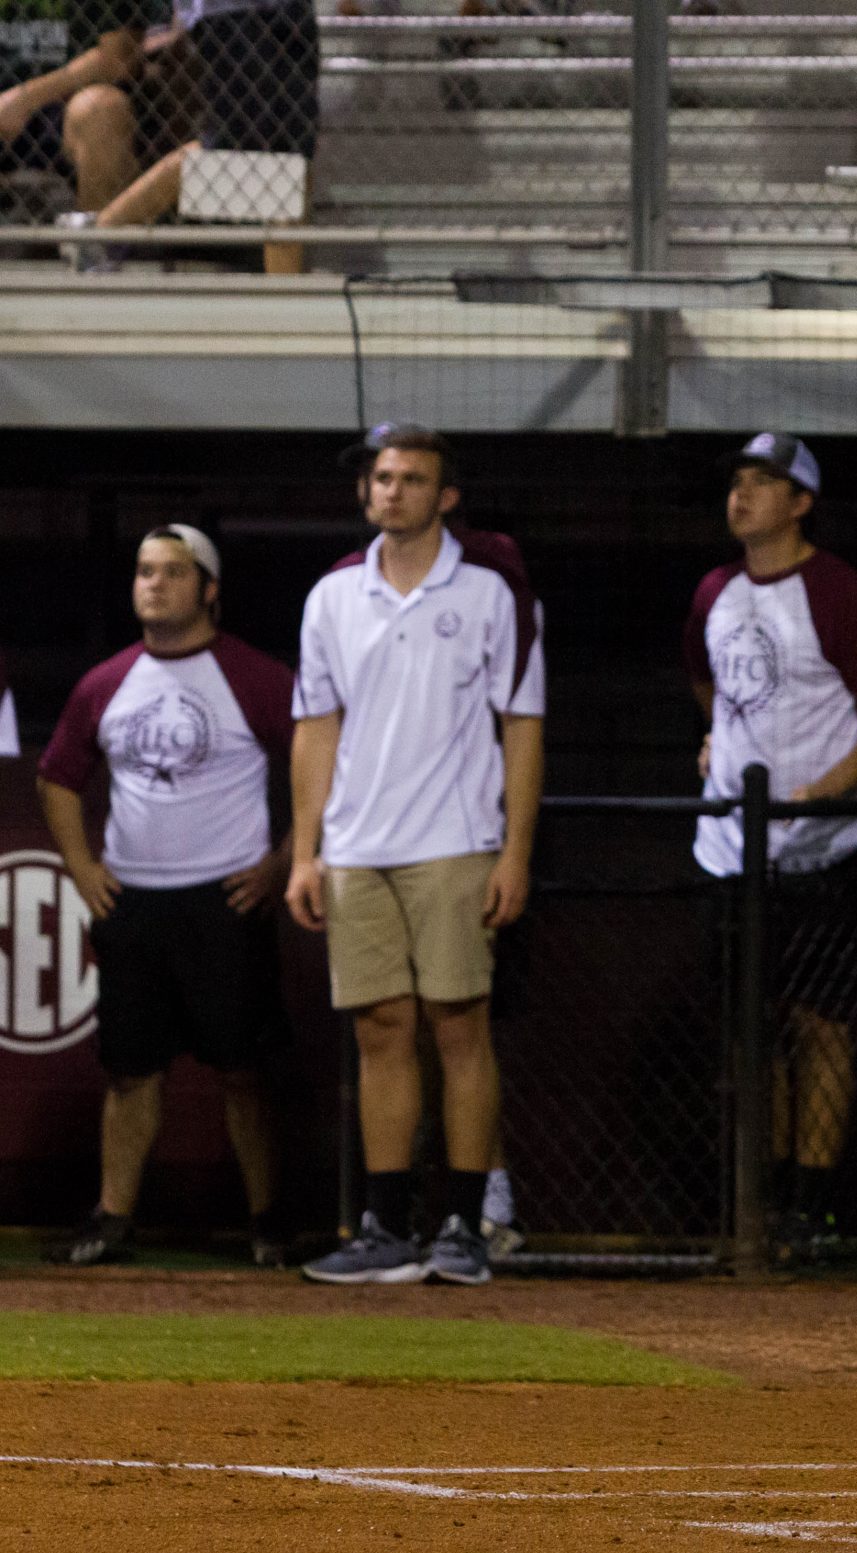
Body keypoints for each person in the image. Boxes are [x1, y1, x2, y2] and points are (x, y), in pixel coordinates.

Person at [288, 423, 545, 1286]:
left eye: (411, 479)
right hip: (358, 850)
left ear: (447, 497)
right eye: (382, 477)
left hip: (454, 843)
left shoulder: (488, 593)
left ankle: (465, 1226)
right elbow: (316, 727)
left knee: (459, 1028)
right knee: (380, 1032)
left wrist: (515, 851)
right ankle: (386, 1227)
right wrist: (306, 851)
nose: (391, 491)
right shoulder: (331, 597)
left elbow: (523, 726)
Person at [685, 431, 857, 1264]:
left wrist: (818, 794)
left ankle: (809, 1208)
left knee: (825, 1028)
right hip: (735, 854)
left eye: (763, 482)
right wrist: (716, 739)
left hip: (826, 852)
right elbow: (706, 681)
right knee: (756, 1031)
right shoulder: (716, 589)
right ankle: (763, 1197)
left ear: (801, 502)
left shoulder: (839, 593)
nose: (742, 495)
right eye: (737, 481)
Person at [34, 524, 293, 1268]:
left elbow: (320, 763)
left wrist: (283, 862)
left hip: (227, 901)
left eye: (174, 572)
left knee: (245, 1070)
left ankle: (268, 1221)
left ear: (210, 589)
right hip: (135, 905)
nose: (155, 584)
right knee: (130, 1069)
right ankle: (112, 1219)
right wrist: (83, 868)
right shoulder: (107, 681)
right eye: (145, 570)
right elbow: (58, 777)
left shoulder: (253, 676)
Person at [68, 0, 323, 267]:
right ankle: (100, 231)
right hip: (239, 13)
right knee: (242, 154)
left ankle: (283, 291)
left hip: (287, 11)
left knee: (292, 159)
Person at [0, 0, 155, 233]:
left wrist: (23, 99)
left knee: (101, 108)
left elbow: (117, 59)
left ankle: (95, 250)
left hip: (70, 102)